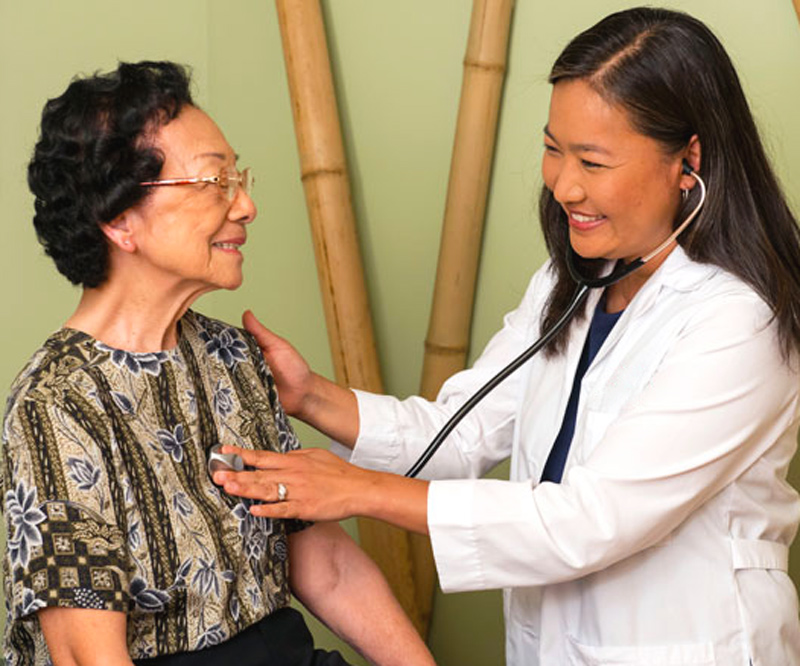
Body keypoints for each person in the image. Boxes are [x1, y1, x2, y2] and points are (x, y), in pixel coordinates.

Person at [212, 7, 800, 666]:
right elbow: (458, 434)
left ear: (687, 158)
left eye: (594, 161)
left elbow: (587, 521)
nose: (564, 185)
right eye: (554, 148)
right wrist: (311, 395)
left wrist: (355, 489)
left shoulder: (741, 321)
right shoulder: (574, 277)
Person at [1, 61, 435, 666]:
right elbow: (85, 655)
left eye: (239, 177)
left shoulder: (232, 357)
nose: (247, 205)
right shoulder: (57, 402)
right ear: (120, 219)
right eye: (214, 182)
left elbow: (327, 567)